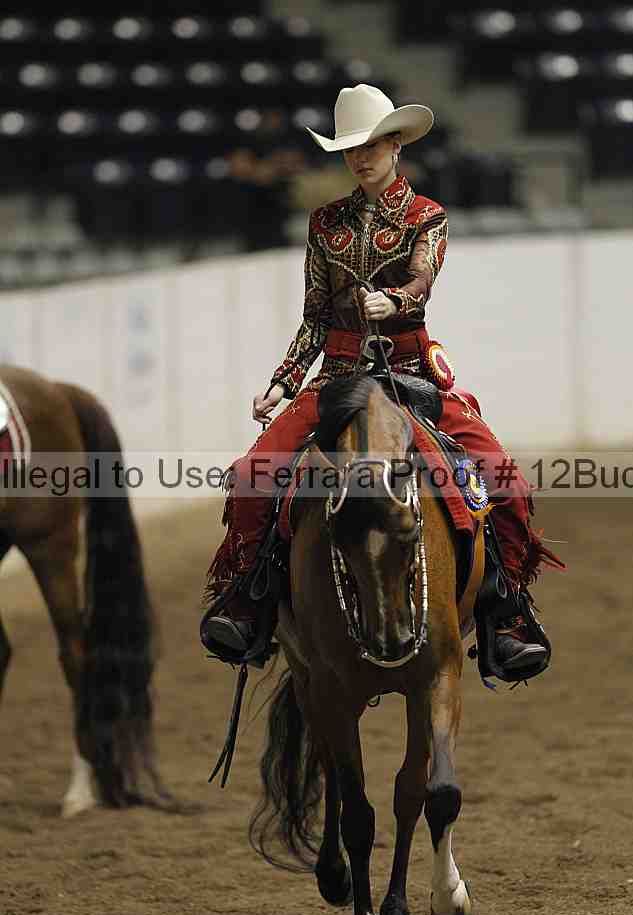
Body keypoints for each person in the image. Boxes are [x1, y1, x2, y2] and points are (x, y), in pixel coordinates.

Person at [201, 84, 563, 675]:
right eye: (351, 148)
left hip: (410, 374)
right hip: (338, 375)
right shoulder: (324, 223)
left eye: (370, 145)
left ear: (396, 145)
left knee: (506, 482)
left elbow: (423, 279)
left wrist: (394, 301)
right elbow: (316, 316)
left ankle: (506, 610)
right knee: (250, 475)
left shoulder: (427, 216)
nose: (361, 157)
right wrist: (284, 381)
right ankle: (250, 597)